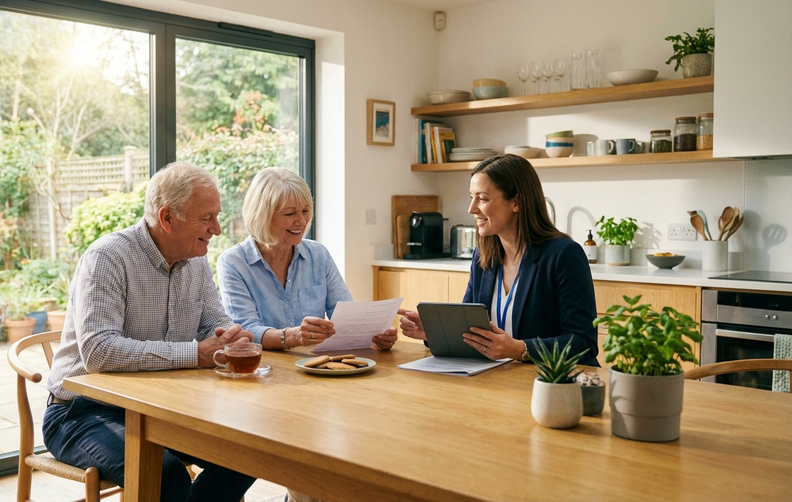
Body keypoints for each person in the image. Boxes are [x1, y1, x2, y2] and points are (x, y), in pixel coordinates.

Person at [43, 162, 257, 502]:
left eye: (216, 216)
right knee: (165, 473)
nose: (217, 229)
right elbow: (99, 351)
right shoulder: (108, 257)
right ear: (168, 218)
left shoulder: (197, 262)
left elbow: (215, 325)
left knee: (248, 453)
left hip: (161, 408)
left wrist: (234, 339)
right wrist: (196, 353)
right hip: (82, 412)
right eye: (207, 218)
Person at [398, 154, 599, 366]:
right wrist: (436, 332)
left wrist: (520, 349)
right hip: (500, 381)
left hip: (551, 385)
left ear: (516, 202)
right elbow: (471, 333)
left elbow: (583, 343)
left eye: (483, 199)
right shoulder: (482, 257)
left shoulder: (564, 255)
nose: (472, 209)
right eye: (471, 197)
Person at [217, 167, 398, 353]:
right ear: (262, 214)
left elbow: (345, 315)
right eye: (290, 214)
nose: (302, 221)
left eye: (305, 210)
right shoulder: (233, 263)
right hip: (265, 367)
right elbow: (246, 329)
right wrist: (293, 336)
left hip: (314, 364)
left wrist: (374, 334)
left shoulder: (318, 254)